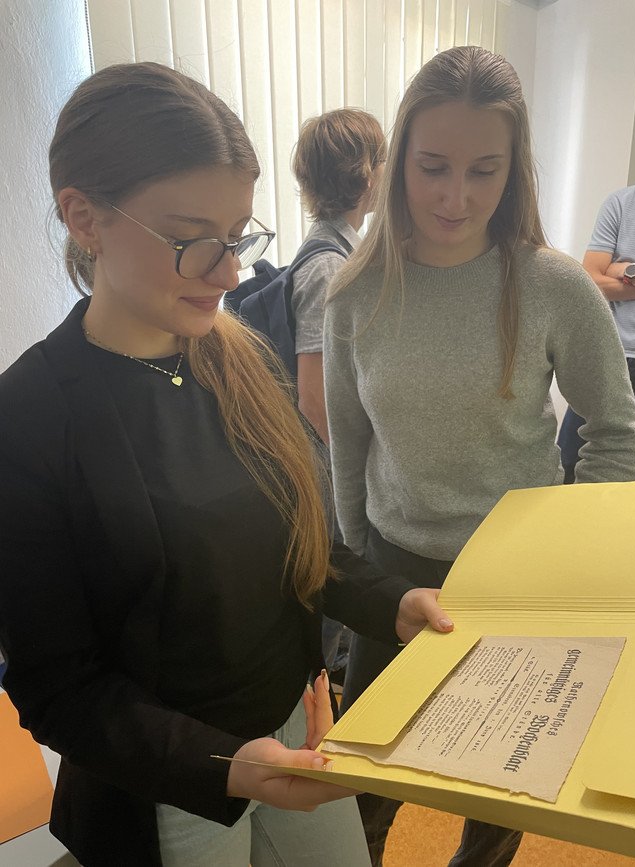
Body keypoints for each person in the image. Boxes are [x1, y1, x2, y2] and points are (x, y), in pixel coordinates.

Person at [0, 62, 455, 867]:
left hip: (298, 727)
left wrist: (395, 601)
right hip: (166, 782)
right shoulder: (31, 415)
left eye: (239, 234)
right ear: (83, 217)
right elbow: (57, 688)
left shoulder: (237, 359)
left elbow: (301, 553)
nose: (229, 272)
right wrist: (226, 764)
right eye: (192, 240)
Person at [323, 45, 635, 867]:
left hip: (519, 581)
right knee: (365, 796)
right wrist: (359, 573)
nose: (455, 197)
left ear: (514, 170)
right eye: (432, 167)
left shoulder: (553, 286)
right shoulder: (356, 291)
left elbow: (616, 430)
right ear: (398, 162)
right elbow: (348, 441)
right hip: (394, 570)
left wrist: (566, 546)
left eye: (484, 170)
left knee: (498, 792)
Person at [291, 108, 386, 672]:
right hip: (324, 471)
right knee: (330, 596)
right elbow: (315, 397)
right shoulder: (329, 267)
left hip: (329, 465)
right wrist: (359, 473)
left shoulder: (343, 252)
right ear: (367, 174)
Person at [558, 178, 635, 481]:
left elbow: (603, 275)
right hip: (610, 360)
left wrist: (628, 270)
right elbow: (592, 283)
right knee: (571, 469)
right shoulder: (621, 204)